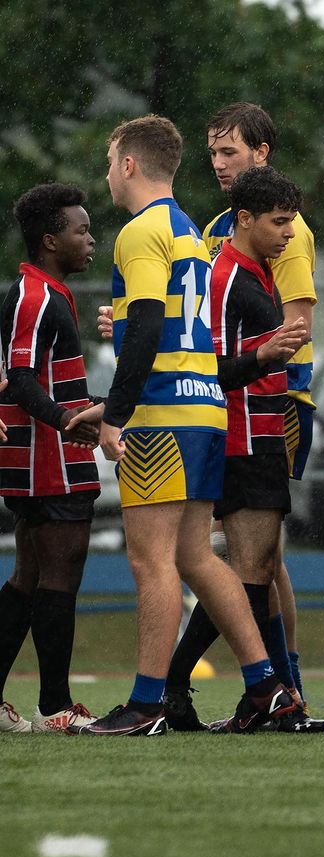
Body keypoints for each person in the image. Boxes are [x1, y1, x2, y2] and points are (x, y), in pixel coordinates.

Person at [70, 115, 296, 736]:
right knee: (196, 554)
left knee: (152, 561)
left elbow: (141, 328)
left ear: (128, 166)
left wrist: (116, 415)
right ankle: (266, 685)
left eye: (110, 162)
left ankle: (146, 704)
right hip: (203, 409)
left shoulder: (140, 231)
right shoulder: (191, 230)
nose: (107, 175)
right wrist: (112, 405)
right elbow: (170, 331)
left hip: (162, 417)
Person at [164, 166, 324, 732]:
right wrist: (263, 358)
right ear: (244, 219)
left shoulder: (255, 271)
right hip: (242, 438)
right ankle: (202, 686)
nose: (289, 234)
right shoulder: (227, 276)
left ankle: (267, 698)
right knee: (247, 573)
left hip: (259, 435)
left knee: (253, 572)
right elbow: (209, 368)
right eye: (280, 223)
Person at [203, 102, 317, 703]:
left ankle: (282, 681)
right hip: (233, 398)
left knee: (264, 556)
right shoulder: (219, 231)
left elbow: (288, 333)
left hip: (275, 401)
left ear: (262, 153)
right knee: (253, 559)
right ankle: (275, 685)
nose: (220, 164)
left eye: (232, 152)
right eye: (214, 153)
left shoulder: (282, 229)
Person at [0, 183, 101, 734]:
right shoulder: (34, 297)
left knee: (29, 577)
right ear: (48, 240)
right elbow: (18, 380)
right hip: (48, 458)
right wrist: (67, 420)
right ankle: (54, 707)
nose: (91, 239)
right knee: (61, 572)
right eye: (80, 230)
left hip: (49, 454)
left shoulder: (49, 293)